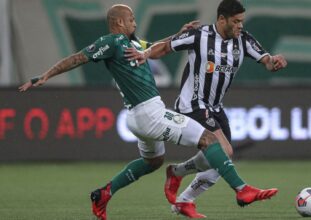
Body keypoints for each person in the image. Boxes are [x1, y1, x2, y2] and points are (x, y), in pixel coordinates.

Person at [18, 4, 278, 220]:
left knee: (153, 161)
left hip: (135, 117)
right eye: (131, 19)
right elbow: (77, 57)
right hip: (149, 114)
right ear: (118, 22)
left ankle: (104, 193)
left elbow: (154, 47)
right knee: (209, 141)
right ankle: (241, 189)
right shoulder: (111, 42)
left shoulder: (132, 42)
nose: (134, 22)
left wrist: (177, 34)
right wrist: (45, 75)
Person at [126, 0, 287, 218]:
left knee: (222, 159)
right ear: (222, 20)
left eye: (242, 21)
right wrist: (144, 55)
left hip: (215, 107)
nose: (240, 25)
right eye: (236, 21)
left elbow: (266, 60)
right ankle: (239, 190)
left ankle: (180, 187)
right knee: (225, 152)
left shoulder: (243, 39)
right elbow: (164, 47)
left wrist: (274, 62)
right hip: (192, 103)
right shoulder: (199, 35)